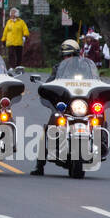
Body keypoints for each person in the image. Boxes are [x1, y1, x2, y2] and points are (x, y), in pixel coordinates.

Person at [31, 38, 82, 176]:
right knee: (49, 128)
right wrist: (46, 88)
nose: (67, 58)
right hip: (63, 107)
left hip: (82, 106)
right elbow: (49, 83)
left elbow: (95, 81)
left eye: (70, 55)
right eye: (65, 55)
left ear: (76, 55)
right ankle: (39, 165)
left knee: (101, 118)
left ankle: (101, 141)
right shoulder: (57, 69)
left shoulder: (85, 68)